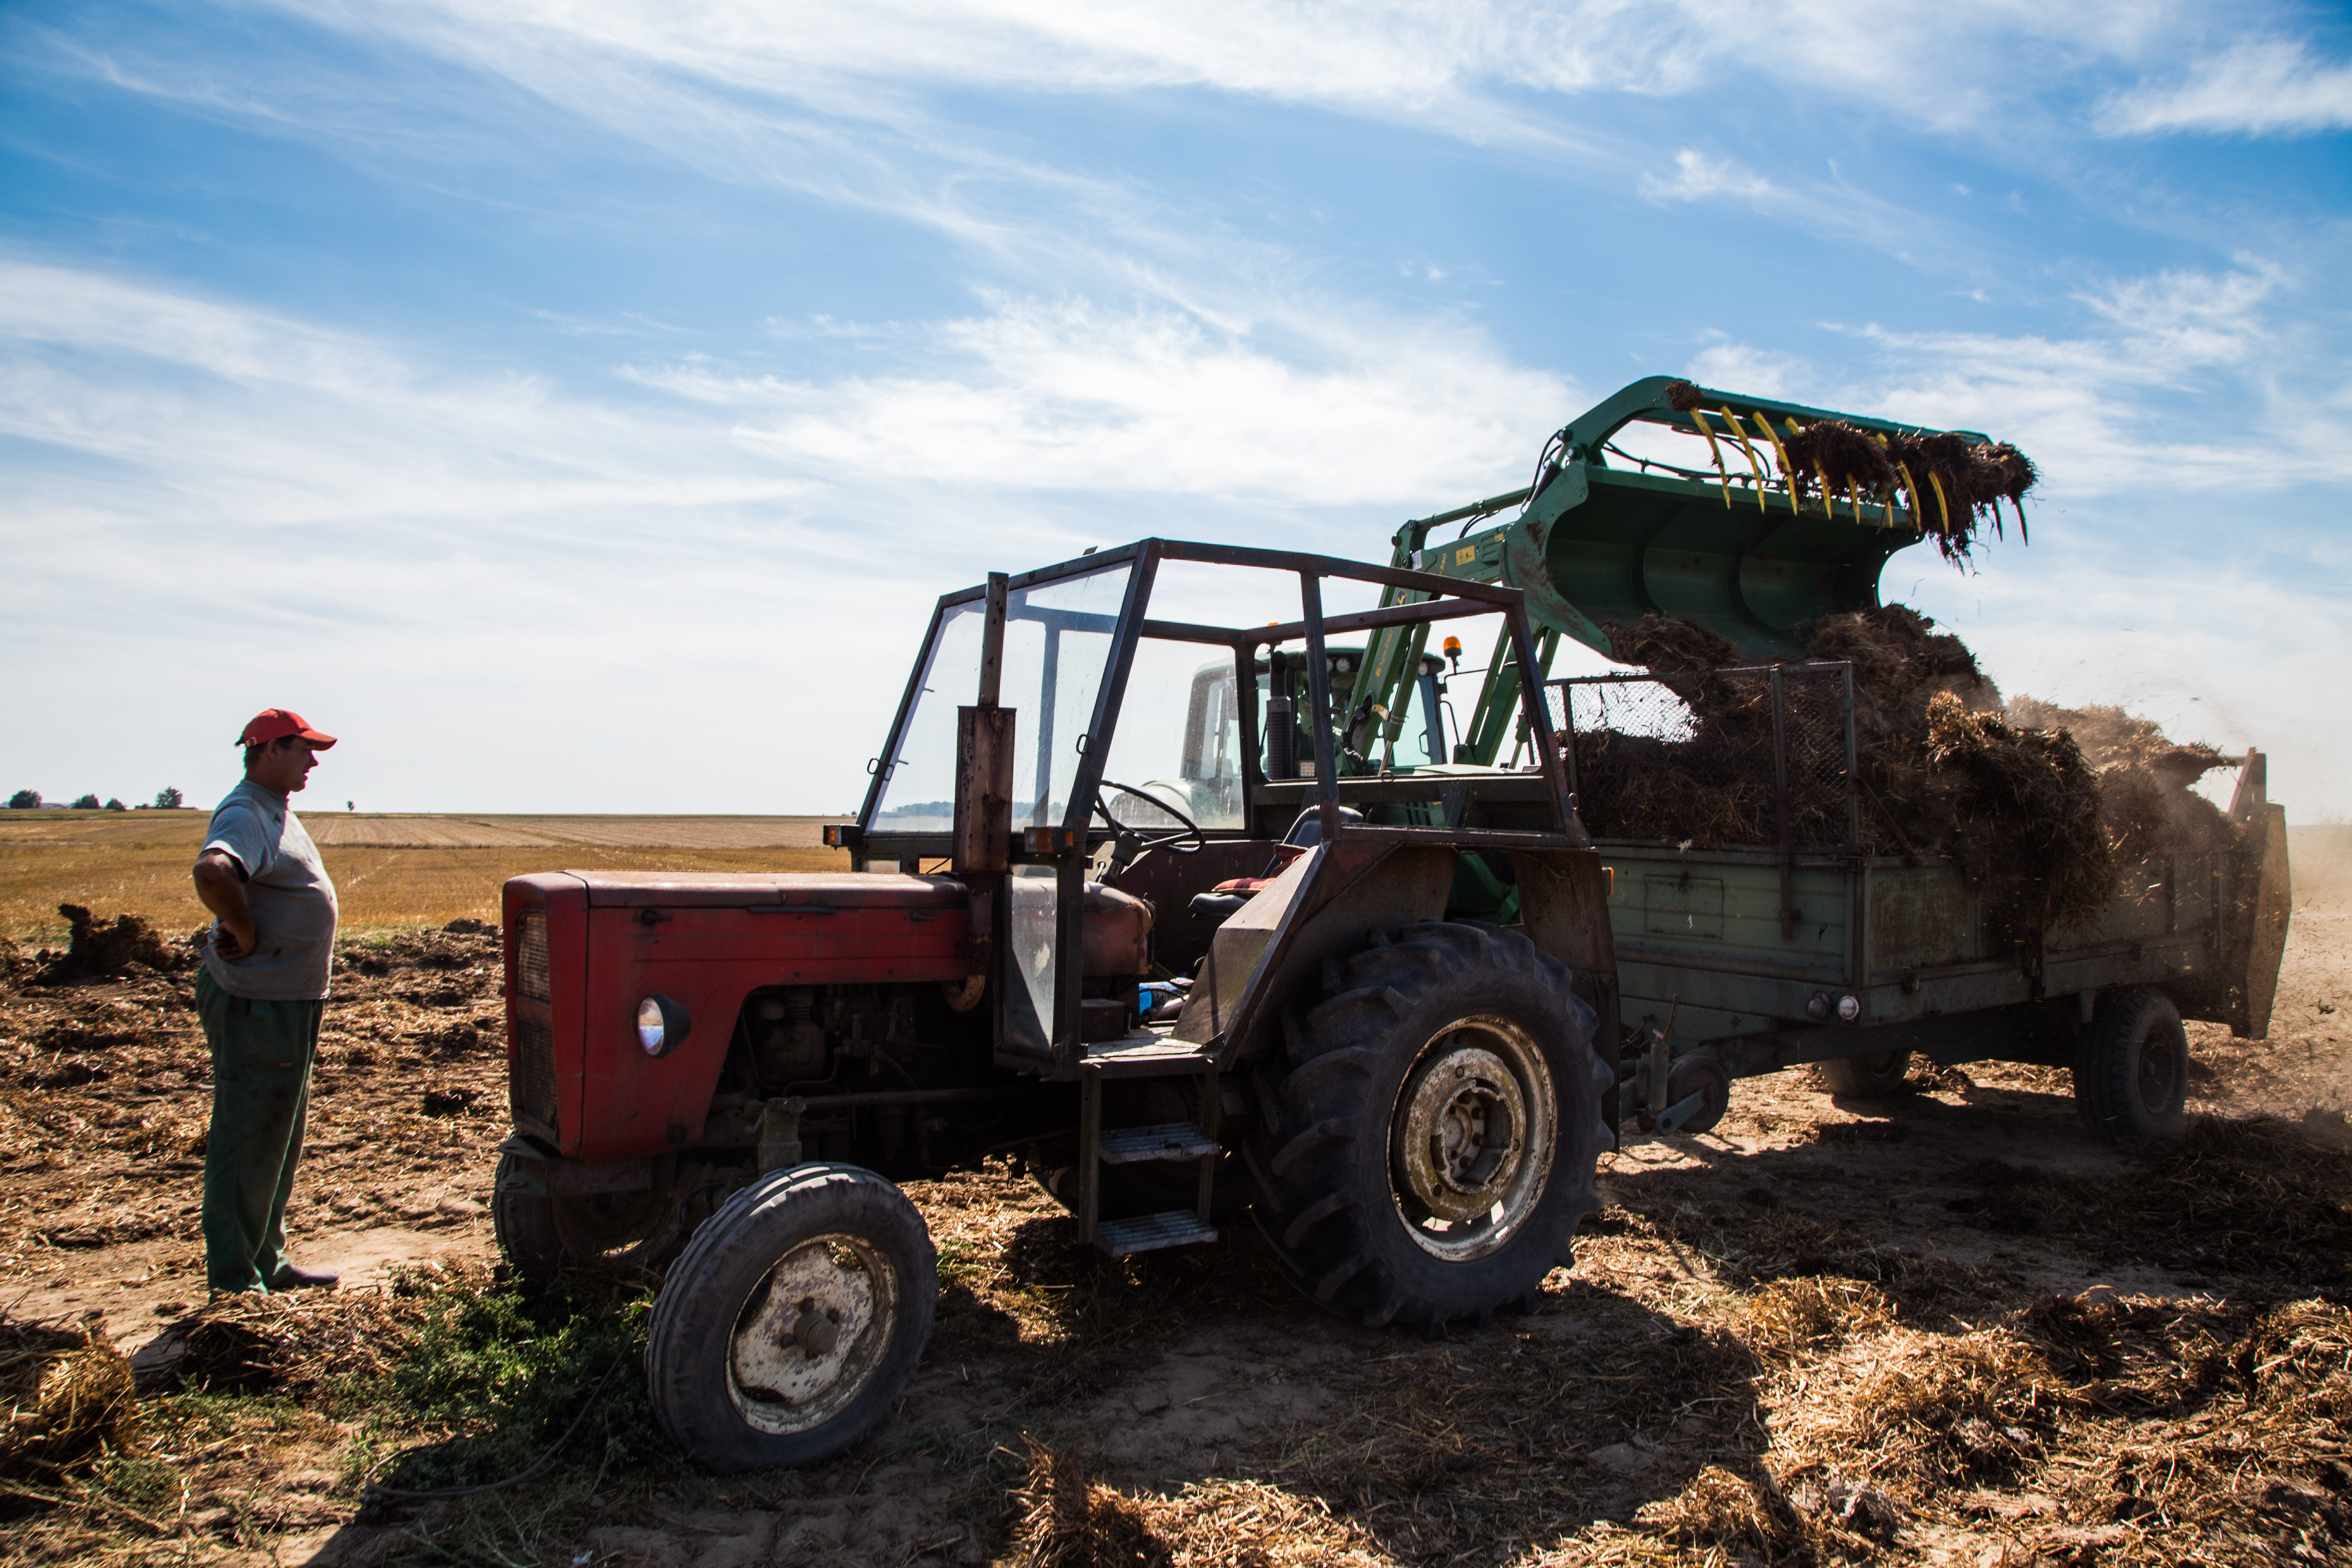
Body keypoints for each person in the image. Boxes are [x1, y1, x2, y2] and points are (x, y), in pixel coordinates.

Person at [189, 710, 342, 1294]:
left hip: (288, 999)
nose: (313, 761)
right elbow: (213, 872)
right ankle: (234, 1281)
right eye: (303, 749)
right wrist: (245, 928)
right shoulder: (246, 811)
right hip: (258, 1003)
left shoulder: (275, 809)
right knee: (248, 1134)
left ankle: (266, 1261)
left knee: (277, 1135)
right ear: (269, 750)